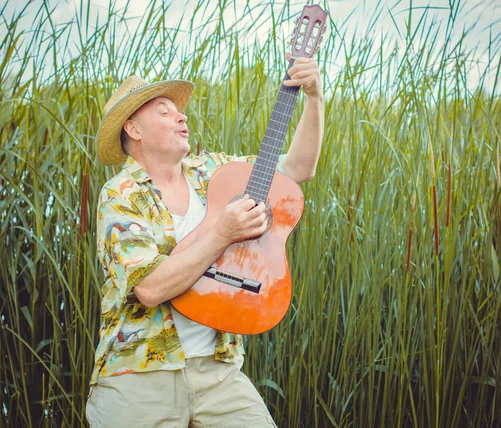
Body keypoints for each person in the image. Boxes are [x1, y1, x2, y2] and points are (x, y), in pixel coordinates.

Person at [86, 52, 323, 427]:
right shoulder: (121, 195)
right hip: (140, 377)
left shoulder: (215, 173)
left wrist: (313, 98)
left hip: (219, 372)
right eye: (163, 112)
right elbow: (149, 288)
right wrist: (222, 233)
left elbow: (296, 168)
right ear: (133, 129)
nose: (181, 115)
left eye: (178, 111)